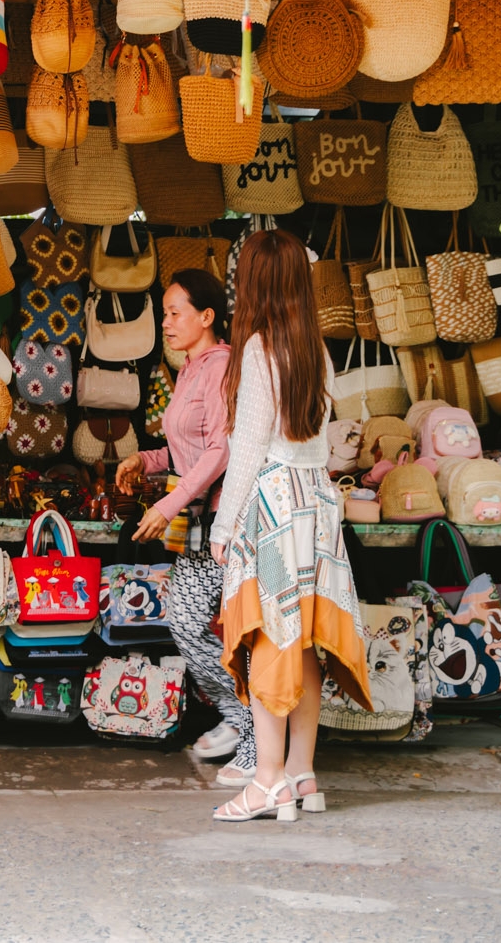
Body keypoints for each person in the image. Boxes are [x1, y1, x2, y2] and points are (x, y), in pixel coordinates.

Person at [206, 230, 372, 823]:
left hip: (273, 501)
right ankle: (302, 774)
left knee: (271, 639)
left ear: (254, 284)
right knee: (304, 642)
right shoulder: (316, 350)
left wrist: (222, 528)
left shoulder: (256, 350)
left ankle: (268, 781)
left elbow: (249, 447)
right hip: (317, 502)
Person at [112, 269, 256, 785]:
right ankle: (241, 718)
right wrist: (143, 460)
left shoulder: (221, 368)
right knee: (186, 624)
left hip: (227, 521)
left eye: (175, 312)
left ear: (207, 317)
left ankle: (255, 733)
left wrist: (168, 503)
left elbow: (221, 449)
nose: (167, 322)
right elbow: (184, 447)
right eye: (166, 312)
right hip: (199, 521)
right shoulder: (191, 368)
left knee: (229, 630)